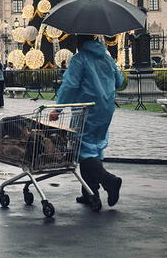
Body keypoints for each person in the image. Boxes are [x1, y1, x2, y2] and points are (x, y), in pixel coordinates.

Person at [52, 35, 123, 207]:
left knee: (83, 147)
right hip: (106, 108)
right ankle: (90, 192)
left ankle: (109, 181)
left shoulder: (79, 59)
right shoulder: (106, 57)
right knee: (95, 147)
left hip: (86, 108)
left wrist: (58, 108)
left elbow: (70, 85)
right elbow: (119, 81)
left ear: (79, 42)